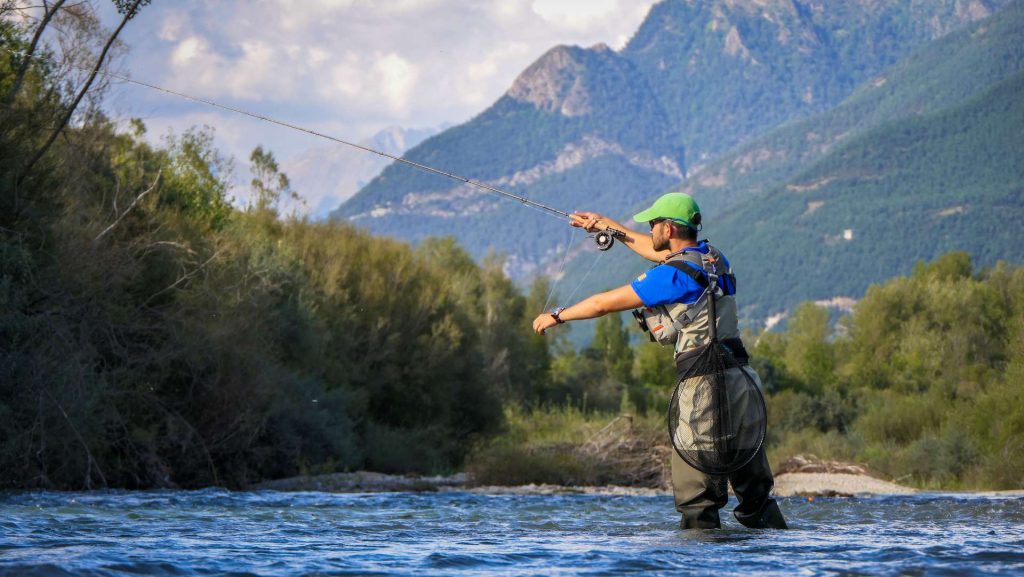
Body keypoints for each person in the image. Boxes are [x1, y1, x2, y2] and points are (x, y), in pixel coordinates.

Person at [531, 192, 787, 530]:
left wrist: (558, 315)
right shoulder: (713, 257)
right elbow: (651, 248)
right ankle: (778, 552)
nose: (650, 230)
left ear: (667, 229)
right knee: (755, 492)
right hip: (742, 380)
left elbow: (604, 303)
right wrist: (603, 224)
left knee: (697, 496)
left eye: (653, 224)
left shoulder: (672, 276)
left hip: (703, 386)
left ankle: (697, 564)